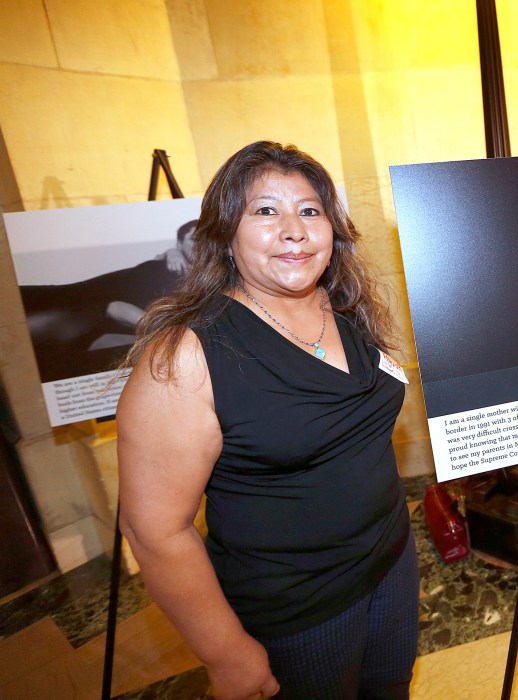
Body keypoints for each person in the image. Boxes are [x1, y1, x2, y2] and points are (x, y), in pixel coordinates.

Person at [117, 141, 418, 699]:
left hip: (391, 562)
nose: (295, 230)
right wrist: (227, 653)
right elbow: (154, 531)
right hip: (299, 609)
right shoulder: (185, 357)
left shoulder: (345, 305)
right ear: (225, 233)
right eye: (265, 211)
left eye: (310, 210)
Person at [19, 219, 198, 383]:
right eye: (194, 238)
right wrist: (166, 333)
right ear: (180, 243)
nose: (200, 244)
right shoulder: (165, 270)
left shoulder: (199, 274)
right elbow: (115, 307)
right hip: (80, 301)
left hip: (87, 316)